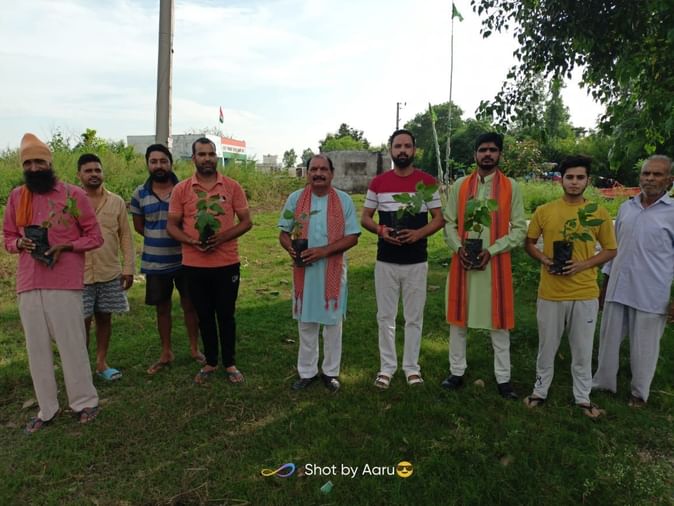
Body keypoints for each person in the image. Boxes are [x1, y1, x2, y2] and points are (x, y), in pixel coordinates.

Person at [3, 133, 103, 432]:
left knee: (72, 344)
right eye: (28, 163)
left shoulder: (73, 195)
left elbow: (95, 236)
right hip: (29, 282)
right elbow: (7, 236)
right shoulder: (17, 196)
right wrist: (18, 243)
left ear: (50, 163)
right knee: (36, 349)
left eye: (39, 162)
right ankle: (47, 408)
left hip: (64, 281)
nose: (34, 168)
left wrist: (68, 245)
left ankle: (85, 402)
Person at [523, 156, 616, 418]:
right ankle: (539, 390)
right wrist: (545, 259)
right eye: (570, 177)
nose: (574, 182)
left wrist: (582, 265)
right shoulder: (545, 211)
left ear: (587, 181)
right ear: (561, 180)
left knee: (582, 350)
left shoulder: (597, 213)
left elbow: (610, 250)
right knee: (546, 347)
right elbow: (529, 243)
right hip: (551, 292)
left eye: (580, 177)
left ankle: (583, 397)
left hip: (584, 292)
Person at [443, 132, 526, 399]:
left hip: (495, 265)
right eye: (482, 150)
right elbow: (449, 223)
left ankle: (504, 378)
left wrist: (492, 250)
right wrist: (458, 248)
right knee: (458, 321)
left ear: (500, 154)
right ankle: (456, 372)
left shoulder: (511, 187)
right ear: (475, 154)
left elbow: (519, 229)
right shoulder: (460, 186)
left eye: (492, 150)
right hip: (463, 262)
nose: (487, 154)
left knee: (498, 324)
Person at [361, 129, 444, 389]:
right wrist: (381, 230)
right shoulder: (378, 183)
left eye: (407, 146)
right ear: (391, 150)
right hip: (386, 260)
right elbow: (365, 217)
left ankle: (411, 368)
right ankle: (387, 367)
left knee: (413, 317)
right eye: (398, 146)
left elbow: (439, 219)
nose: (403, 150)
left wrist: (418, 233)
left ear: (414, 150)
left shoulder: (427, 183)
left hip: (416, 260)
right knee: (385, 317)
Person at [167, 137, 253, 384]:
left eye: (211, 154)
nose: (207, 159)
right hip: (194, 264)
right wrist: (191, 241)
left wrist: (222, 237)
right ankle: (211, 361)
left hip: (226, 263)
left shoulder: (232, 187)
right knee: (203, 315)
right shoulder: (182, 189)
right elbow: (171, 226)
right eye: (202, 154)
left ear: (217, 157)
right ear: (193, 158)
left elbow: (247, 222)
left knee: (226, 314)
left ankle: (230, 362)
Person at [592, 155, 674, 407]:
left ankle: (639, 393)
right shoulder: (626, 208)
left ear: (669, 180)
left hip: (652, 291)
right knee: (608, 340)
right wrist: (604, 285)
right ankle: (603, 384)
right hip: (618, 286)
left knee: (645, 347)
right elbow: (613, 249)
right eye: (646, 173)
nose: (649, 178)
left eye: (657, 174)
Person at [279, 155, 360, 392]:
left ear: (332, 173)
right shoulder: (295, 199)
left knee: (333, 324)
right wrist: (290, 248)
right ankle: (307, 372)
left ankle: (330, 372)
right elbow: (283, 233)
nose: (318, 173)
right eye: (313, 169)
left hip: (332, 271)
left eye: (323, 169)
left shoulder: (343, 200)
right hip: (304, 272)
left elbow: (353, 237)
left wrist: (323, 251)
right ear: (307, 173)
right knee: (306, 323)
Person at [129, 144, 203, 374]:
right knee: (162, 309)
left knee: (191, 305)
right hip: (155, 262)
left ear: (171, 163)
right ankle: (166, 352)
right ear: (148, 164)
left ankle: (194, 349)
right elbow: (140, 227)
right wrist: (159, 238)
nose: (159, 165)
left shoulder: (185, 189)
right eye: (154, 161)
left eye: (163, 161)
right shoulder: (139, 194)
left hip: (186, 259)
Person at [77, 154, 135, 381]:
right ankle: (81, 370)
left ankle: (102, 364)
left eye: (97, 170)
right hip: (79, 275)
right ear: (79, 175)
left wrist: (128, 267)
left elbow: (125, 237)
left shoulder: (116, 201)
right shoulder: (71, 202)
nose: (94, 174)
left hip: (109, 271)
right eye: (88, 170)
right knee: (81, 322)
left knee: (104, 318)